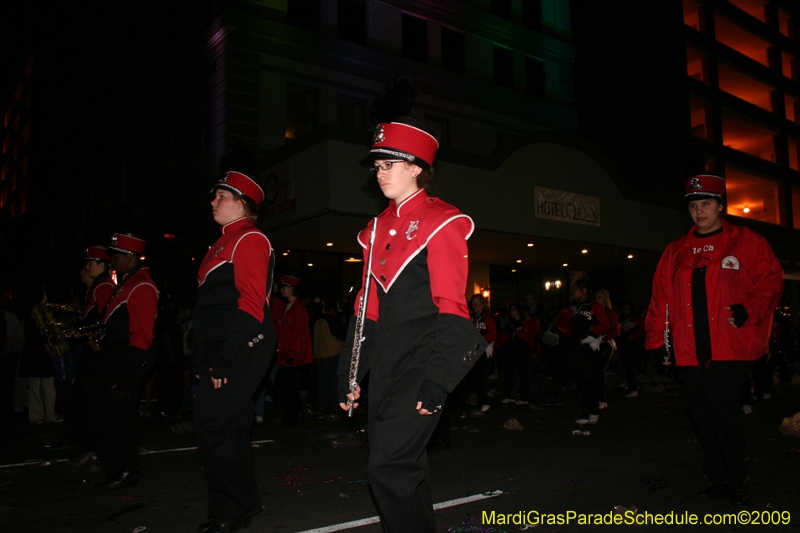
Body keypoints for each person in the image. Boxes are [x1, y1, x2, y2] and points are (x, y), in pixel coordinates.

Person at [337, 116, 487, 532]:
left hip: (422, 362)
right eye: (377, 166)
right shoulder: (374, 229)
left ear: (417, 167)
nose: (380, 173)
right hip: (387, 363)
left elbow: (454, 309)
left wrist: (437, 381)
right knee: (406, 467)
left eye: (390, 164)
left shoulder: (443, 221)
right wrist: (350, 374)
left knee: (387, 466)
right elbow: (365, 310)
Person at [645, 174, 784, 506]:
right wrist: (655, 342)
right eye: (694, 206)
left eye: (706, 204)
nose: (699, 211)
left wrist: (748, 308)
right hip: (690, 348)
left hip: (731, 344)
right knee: (702, 413)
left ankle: (737, 479)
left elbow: (771, 280)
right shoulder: (676, 251)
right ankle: (718, 478)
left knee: (721, 406)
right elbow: (660, 298)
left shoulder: (747, 242)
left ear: (721, 206)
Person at [193, 171, 276, 533]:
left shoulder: (250, 238)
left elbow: (252, 305)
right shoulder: (223, 242)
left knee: (214, 426)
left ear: (241, 202)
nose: (213, 202)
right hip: (223, 347)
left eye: (220, 196)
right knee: (230, 426)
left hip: (240, 345)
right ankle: (239, 504)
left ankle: (232, 510)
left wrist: (226, 357)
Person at [93, 233, 159, 490]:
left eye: (117, 256)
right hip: (118, 360)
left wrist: (127, 378)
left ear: (130, 257)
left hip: (127, 362)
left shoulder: (141, 286)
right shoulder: (127, 284)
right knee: (111, 417)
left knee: (113, 417)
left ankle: (125, 469)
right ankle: (124, 469)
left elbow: (141, 337)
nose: (112, 261)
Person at [71, 245, 116, 465]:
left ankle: (96, 447)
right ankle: (91, 445)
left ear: (101, 265)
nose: (87, 267)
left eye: (90, 263)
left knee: (89, 398)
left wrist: (97, 338)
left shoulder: (104, 285)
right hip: (94, 350)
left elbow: (106, 318)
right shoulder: (98, 286)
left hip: (98, 352)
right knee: (84, 397)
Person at [557, 279, 609, 425]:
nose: (573, 292)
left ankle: (592, 411)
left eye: (576, 289)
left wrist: (589, 328)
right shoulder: (574, 306)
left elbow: (605, 326)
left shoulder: (594, 306)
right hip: (577, 345)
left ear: (584, 290)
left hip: (590, 345)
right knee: (582, 381)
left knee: (588, 379)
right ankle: (587, 412)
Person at [274, 275, 313, 426]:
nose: (281, 290)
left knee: (285, 383)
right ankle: (294, 410)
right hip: (285, 354)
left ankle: (292, 413)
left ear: (291, 289)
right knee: (284, 384)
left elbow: (299, 334)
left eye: (284, 287)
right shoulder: (288, 308)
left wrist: (292, 355)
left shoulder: (298, 309)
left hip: (291, 355)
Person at [312, 298, 344, 415]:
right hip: (332, 354)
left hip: (319, 354)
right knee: (333, 381)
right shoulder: (331, 320)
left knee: (323, 382)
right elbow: (340, 335)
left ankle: (323, 404)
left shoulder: (316, 320)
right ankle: (335, 405)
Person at [468, 294, 496, 413]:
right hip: (474, 349)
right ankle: (477, 399)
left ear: (482, 304)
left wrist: (479, 338)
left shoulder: (487, 318)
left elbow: (493, 335)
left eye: (476, 303)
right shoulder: (473, 318)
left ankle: (484, 402)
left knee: (479, 377)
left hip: (483, 350)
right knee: (472, 376)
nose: (474, 306)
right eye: (473, 303)